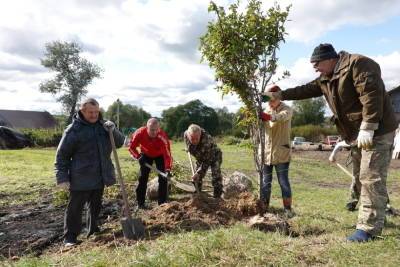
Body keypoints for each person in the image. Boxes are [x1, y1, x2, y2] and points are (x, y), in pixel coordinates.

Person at [264, 43, 397, 242]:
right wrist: (281, 95)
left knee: (370, 176)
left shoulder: (359, 64)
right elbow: (305, 90)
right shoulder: (327, 77)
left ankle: (368, 230)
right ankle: (376, 214)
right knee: (361, 178)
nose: (314, 68)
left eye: (316, 63)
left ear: (330, 59)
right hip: (355, 134)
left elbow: (371, 95)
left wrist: (368, 126)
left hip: (377, 131)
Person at [55, 98, 125, 247]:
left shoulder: (104, 126)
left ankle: (93, 230)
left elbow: (119, 143)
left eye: (96, 112)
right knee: (75, 207)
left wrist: (114, 130)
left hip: (100, 174)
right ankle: (70, 238)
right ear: (82, 111)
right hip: (81, 176)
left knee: (95, 205)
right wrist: (62, 177)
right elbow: (62, 155)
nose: (94, 115)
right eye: (90, 112)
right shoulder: (73, 130)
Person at [259, 86, 294, 217]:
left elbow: (279, 117)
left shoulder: (287, 109)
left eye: (272, 99)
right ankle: (264, 207)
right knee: (265, 182)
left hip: (281, 153)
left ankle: (288, 209)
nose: (269, 102)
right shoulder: (266, 109)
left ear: (279, 98)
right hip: (266, 153)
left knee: (283, 182)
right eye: (268, 100)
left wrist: (266, 116)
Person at [128, 118, 172, 208]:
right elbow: (131, 147)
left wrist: (167, 169)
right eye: (152, 130)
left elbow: (167, 155)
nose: (154, 132)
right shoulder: (139, 133)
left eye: (156, 130)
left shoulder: (162, 137)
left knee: (163, 178)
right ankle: (140, 203)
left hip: (159, 155)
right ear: (147, 128)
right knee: (142, 178)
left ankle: (162, 204)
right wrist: (138, 156)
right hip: (145, 154)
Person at [184, 124, 223, 198]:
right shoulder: (186, 134)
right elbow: (186, 141)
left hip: (214, 156)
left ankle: (217, 197)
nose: (194, 141)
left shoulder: (207, 140)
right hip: (200, 156)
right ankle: (198, 194)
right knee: (196, 177)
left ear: (200, 134)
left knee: (216, 175)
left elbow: (207, 161)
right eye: (192, 138)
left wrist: (199, 172)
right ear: (188, 135)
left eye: (197, 138)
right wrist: (188, 148)